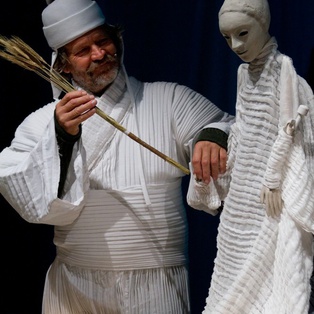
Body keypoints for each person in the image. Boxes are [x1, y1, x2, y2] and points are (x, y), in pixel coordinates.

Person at [0, 0, 234, 313]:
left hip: (155, 283)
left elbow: (230, 126)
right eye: (83, 50)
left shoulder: (168, 99)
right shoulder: (43, 123)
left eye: (103, 41)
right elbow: (20, 186)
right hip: (73, 287)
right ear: (63, 65)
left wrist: (213, 136)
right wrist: (62, 136)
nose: (99, 54)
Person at [187, 0, 314, 313]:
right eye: (227, 38)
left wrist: (272, 180)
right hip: (245, 189)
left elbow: (289, 129)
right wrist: (231, 170)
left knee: (267, 276)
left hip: (270, 193)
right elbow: (242, 129)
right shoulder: (244, 73)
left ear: (263, 24)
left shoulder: (283, 69)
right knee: (229, 263)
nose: (236, 45)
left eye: (243, 33)